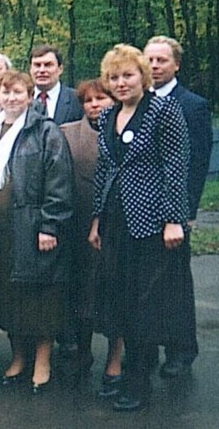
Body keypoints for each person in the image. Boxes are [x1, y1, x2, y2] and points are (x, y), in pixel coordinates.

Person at [89, 44, 191, 412]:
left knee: (143, 306)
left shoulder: (163, 110)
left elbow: (175, 167)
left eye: (127, 75)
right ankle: (126, 375)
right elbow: (104, 170)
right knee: (118, 302)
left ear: (143, 76)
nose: (120, 83)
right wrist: (97, 220)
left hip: (150, 225)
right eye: (114, 77)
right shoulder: (108, 116)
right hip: (116, 223)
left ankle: (137, 383)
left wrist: (173, 219)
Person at [0, 70, 74, 395]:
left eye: (17, 93)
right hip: (0, 228)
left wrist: (50, 225)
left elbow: (59, 180)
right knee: (10, 294)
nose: (11, 98)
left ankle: (42, 361)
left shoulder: (44, 130)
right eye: (5, 92)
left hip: (33, 225)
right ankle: (17, 357)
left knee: (42, 296)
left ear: (29, 96)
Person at [144, 35, 212, 378]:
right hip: (140, 209)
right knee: (145, 282)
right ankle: (146, 348)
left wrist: (184, 213)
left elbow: (196, 164)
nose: (155, 66)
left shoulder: (192, 105)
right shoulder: (136, 101)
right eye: (150, 60)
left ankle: (180, 350)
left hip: (173, 210)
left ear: (176, 65)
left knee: (174, 283)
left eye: (161, 60)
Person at [59, 80, 118, 389]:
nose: (95, 105)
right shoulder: (67, 133)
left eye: (101, 98)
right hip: (78, 222)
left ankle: (116, 357)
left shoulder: (123, 131)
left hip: (117, 221)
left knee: (115, 290)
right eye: (88, 100)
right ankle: (82, 351)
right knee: (82, 290)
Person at [29, 44, 83, 125]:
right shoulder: (21, 99)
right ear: (30, 69)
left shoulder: (77, 99)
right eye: (37, 65)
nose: (42, 70)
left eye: (48, 65)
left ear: (60, 69)